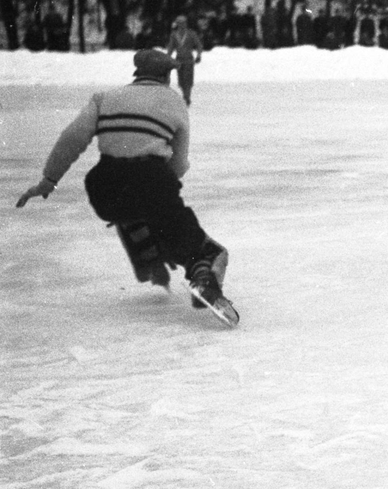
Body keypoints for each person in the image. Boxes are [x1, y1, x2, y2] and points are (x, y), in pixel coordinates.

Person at [15, 48, 236, 319]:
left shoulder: (105, 98)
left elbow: (70, 139)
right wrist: (162, 200)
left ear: (137, 73)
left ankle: (149, 257)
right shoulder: (174, 101)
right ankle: (202, 275)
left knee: (132, 209)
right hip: (152, 183)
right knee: (209, 252)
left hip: (104, 190)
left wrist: (48, 181)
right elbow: (178, 164)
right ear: (166, 75)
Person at [166, 15, 203, 106]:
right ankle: (185, 95)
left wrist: (198, 55)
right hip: (178, 60)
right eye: (179, 23)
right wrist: (167, 57)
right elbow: (171, 47)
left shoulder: (191, 34)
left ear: (186, 23)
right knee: (181, 81)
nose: (181, 25)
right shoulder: (174, 35)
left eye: (183, 23)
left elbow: (199, 45)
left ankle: (187, 97)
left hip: (189, 60)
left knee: (188, 80)